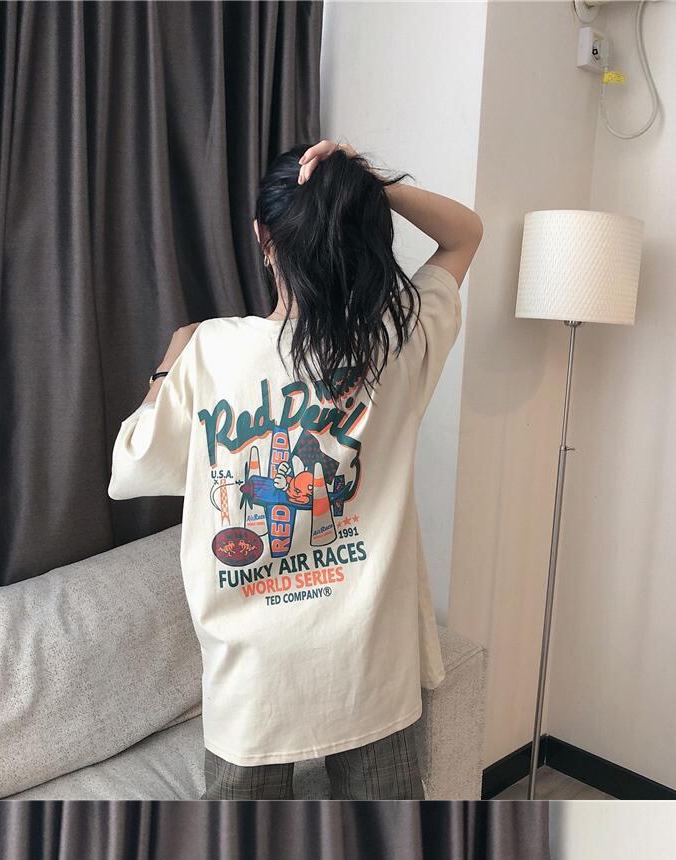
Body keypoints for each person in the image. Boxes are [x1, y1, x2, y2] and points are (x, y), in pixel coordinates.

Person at [108, 138, 483, 794]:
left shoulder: (209, 351)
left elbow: (133, 467)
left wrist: (169, 361)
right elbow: (465, 235)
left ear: (264, 238)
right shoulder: (393, 340)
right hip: (372, 669)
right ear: (359, 233)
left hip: (253, 684)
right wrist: (367, 184)